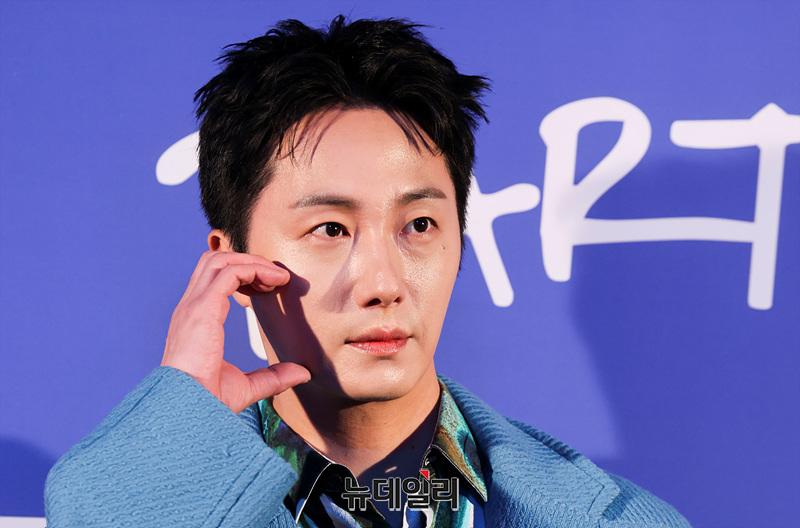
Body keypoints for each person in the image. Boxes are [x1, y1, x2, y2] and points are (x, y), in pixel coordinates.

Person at [45, 16, 691, 528]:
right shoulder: (145, 497)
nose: (383, 284)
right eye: (330, 230)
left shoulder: (617, 520)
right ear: (231, 262)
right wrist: (181, 435)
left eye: (419, 225)